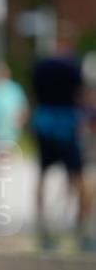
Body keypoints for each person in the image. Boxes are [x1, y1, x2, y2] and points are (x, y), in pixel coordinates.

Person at [31, 28, 92, 250]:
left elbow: (34, 94)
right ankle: (82, 230)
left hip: (44, 122)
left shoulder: (41, 66)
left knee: (42, 175)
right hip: (66, 125)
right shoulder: (73, 67)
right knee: (78, 177)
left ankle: (43, 229)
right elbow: (81, 96)